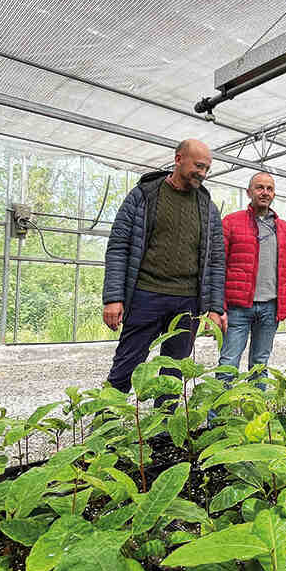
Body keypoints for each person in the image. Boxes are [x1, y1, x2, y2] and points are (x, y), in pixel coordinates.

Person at [102, 139, 227, 400]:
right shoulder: (144, 195)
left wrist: (215, 308)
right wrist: (113, 298)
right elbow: (119, 246)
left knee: (173, 373)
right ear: (178, 158)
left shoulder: (208, 208)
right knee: (127, 364)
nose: (202, 174)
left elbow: (216, 261)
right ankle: (108, 427)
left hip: (187, 303)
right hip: (146, 295)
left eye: (207, 169)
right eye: (198, 166)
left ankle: (163, 434)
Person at [217, 172, 286, 383]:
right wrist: (218, 307)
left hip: (270, 308)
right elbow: (217, 267)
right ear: (249, 192)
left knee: (260, 366)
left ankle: (254, 414)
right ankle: (218, 416)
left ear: (274, 194)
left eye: (269, 189)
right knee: (228, 365)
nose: (265, 192)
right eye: (259, 187)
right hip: (238, 308)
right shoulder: (231, 222)